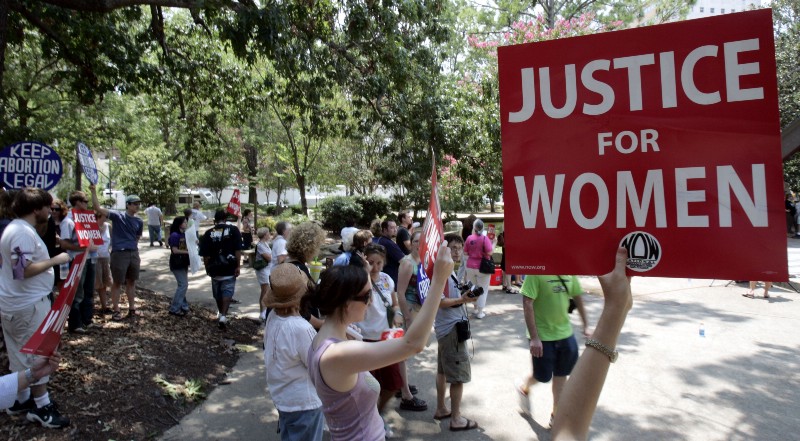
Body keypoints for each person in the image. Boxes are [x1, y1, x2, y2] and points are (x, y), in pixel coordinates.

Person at [304, 241, 452, 441]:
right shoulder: (338, 353)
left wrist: (364, 271)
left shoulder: (325, 337)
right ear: (346, 302)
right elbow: (413, 344)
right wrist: (438, 281)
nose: (372, 301)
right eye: (367, 296)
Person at [0, 188, 71, 428]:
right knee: (38, 357)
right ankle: (42, 407)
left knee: (19, 355)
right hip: (28, 306)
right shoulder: (21, 233)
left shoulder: (15, 228)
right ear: (35, 209)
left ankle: (20, 400)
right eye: (47, 208)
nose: (50, 212)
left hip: (15, 304)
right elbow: (22, 271)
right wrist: (55, 260)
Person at [551, 247, 633, 441]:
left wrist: (616, 308)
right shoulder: (535, 276)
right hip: (547, 338)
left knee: (560, 375)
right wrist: (616, 308)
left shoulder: (569, 276)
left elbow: (565, 432)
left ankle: (554, 410)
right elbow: (567, 434)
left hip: (566, 335)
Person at [357, 244, 426, 431]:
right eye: (371, 263)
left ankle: (376, 415)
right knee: (370, 388)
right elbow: (367, 300)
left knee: (393, 383)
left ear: (385, 262)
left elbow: (394, 302)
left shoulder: (387, 279)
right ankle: (369, 422)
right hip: (365, 340)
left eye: (379, 262)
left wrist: (397, 314)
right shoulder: (359, 280)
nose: (375, 267)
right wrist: (364, 272)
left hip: (386, 339)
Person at [516, 272, 591, 428]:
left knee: (561, 375)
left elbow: (578, 297)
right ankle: (524, 388)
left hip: (565, 334)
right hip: (542, 336)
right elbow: (527, 303)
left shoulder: (569, 271)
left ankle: (556, 414)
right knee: (542, 376)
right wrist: (535, 338)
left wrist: (586, 325)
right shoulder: (536, 272)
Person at [264, 263, 324, 441]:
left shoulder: (273, 317)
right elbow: (316, 365)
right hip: (304, 403)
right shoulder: (300, 328)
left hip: (283, 398)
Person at [433, 234, 479, 431]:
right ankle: (456, 418)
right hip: (451, 330)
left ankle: (442, 408)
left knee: (443, 371)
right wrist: (463, 300)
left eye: (460, 247)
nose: (457, 251)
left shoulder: (448, 271)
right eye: (453, 247)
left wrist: (465, 297)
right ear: (444, 249)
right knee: (458, 377)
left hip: (446, 329)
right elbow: (439, 301)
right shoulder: (442, 273)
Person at [90, 185, 144, 322]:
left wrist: (133, 248)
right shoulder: (117, 216)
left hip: (133, 253)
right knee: (118, 282)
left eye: (139, 204)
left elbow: (137, 237)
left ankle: (132, 309)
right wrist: (93, 191)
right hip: (119, 253)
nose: (137, 206)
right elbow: (97, 208)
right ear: (128, 205)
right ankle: (116, 310)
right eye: (134, 204)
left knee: (131, 281)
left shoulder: (139, 221)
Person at [60, 190, 99, 333]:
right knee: (78, 292)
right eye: (85, 201)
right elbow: (64, 244)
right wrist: (81, 248)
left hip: (91, 259)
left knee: (89, 290)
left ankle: (87, 320)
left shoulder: (87, 218)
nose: (87, 204)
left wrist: (92, 246)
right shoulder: (68, 221)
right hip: (77, 260)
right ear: (77, 202)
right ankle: (75, 324)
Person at [199, 209, 243, 330]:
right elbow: (238, 250)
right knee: (227, 290)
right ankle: (223, 315)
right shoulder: (234, 231)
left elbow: (205, 255)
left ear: (214, 220)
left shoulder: (208, 233)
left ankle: (221, 314)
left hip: (214, 268)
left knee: (217, 292)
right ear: (226, 219)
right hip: (229, 266)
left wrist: (207, 268)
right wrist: (238, 265)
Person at [462, 218, 494, 319]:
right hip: (482, 267)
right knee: (482, 289)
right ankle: (480, 312)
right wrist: (494, 243)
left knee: (473, 287)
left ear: (474, 227)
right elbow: (490, 252)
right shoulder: (485, 238)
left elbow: (465, 252)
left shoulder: (469, 238)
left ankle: (475, 308)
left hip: (470, 266)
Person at [167, 216, 191, 317]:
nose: (186, 224)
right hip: (177, 263)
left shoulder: (184, 234)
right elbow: (175, 250)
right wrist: (187, 251)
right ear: (179, 224)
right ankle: (174, 308)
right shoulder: (174, 235)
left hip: (184, 262)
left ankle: (184, 305)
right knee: (183, 285)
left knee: (182, 285)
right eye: (185, 222)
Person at [374, 220, 405, 285]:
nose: (395, 230)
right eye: (392, 228)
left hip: (386, 278)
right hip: (391, 279)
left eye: (396, 227)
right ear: (385, 230)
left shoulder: (381, 240)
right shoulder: (388, 243)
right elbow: (404, 260)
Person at [94, 211, 112, 315]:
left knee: (105, 283)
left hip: (105, 258)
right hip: (95, 258)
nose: (107, 217)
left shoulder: (108, 226)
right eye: (105, 215)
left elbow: (111, 241)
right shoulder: (92, 227)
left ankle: (104, 306)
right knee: (97, 283)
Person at [255, 227, 273, 322]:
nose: (269, 235)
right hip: (263, 270)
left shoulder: (265, 244)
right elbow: (269, 258)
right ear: (265, 235)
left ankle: (265, 311)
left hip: (267, 269)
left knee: (267, 290)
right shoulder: (260, 245)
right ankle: (262, 312)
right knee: (264, 291)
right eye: (268, 233)